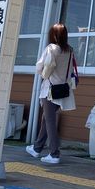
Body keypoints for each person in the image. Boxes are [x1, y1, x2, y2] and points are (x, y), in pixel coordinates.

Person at [26, 23, 78, 165]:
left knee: (49, 121)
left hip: (50, 89)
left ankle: (54, 154)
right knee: (46, 119)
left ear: (53, 35)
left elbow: (40, 67)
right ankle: (37, 148)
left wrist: (43, 73)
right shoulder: (69, 50)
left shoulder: (51, 48)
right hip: (63, 89)